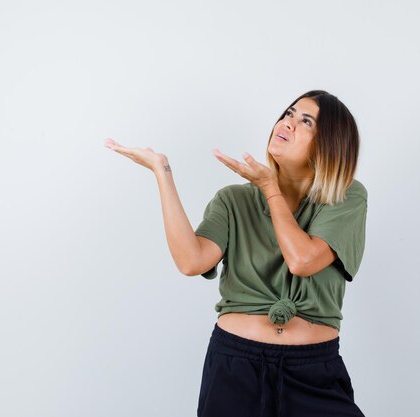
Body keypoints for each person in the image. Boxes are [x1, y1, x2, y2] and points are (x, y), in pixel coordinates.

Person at [104, 89, 367, 417]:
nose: (287, 124)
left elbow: (303, 260)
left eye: (305, 122)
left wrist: (269, 188)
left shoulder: (345, 197)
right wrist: (162, 172)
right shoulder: (233, 200)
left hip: (312, 371)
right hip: (236, 367)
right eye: (287, 114)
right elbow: (191, 261)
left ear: (329, 144)